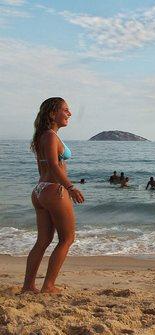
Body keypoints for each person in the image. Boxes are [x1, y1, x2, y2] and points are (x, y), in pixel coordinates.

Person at [23, 97, 85, 294]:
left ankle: (28, 286)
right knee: (67, 239)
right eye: (65, 110)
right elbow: (53, 166)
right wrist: (70, 187)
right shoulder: (50, 136)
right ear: (52, 113)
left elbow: (44, 167)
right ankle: (48, 285)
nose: (70, 113)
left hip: (40, 190)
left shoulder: (42, 136)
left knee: (43, 240)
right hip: (54, 190)